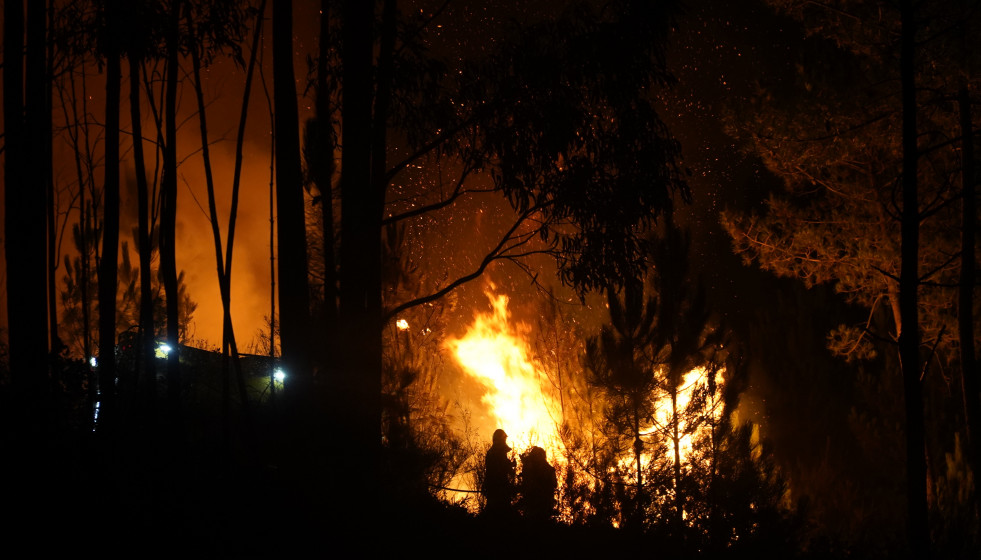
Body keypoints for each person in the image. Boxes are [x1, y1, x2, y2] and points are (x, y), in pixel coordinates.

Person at [517, 446, 557, 522]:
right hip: (536, 503)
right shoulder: (533, 467)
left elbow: (554, 484)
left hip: (541, 503)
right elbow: (554, 484)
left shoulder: (546, 469)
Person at [483, 428, 516, 516]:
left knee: (492, 510)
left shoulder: (491, 452)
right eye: (504, 439)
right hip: (499, 486)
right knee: (501, 511)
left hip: (492, 486)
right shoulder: (499, 452)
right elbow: (502, 467)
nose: (505, 440)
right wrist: (511, 466)